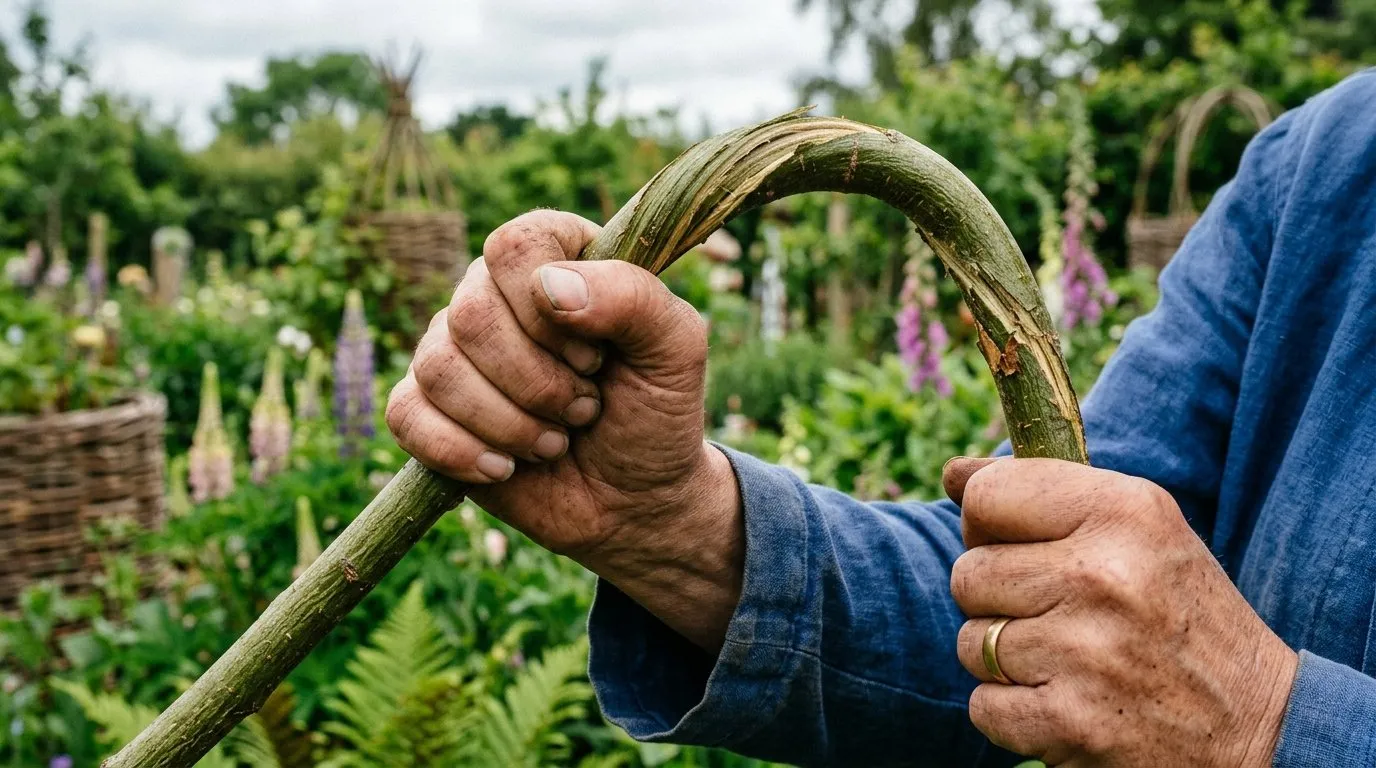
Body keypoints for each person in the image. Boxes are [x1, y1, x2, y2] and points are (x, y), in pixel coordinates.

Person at [385, 70, 1376, 767]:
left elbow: (1179, 674)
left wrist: (1269, 730)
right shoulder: (1324, 169)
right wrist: (671, 523)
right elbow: (1035, 599)